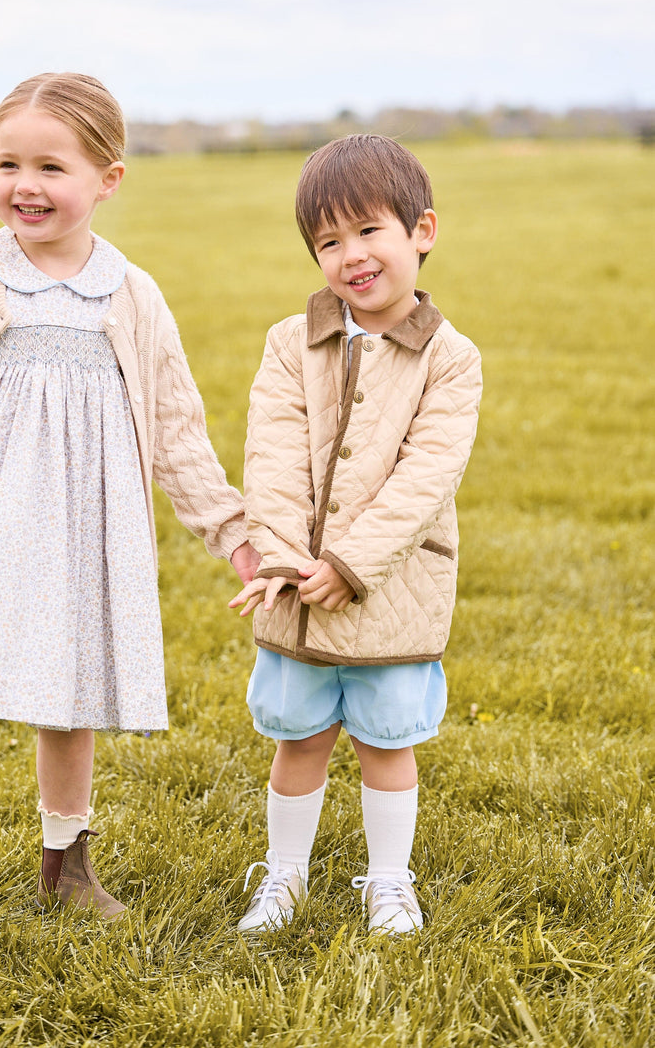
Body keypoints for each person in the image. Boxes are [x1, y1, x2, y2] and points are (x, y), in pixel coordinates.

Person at [0, 72, 259, 966]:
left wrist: (232, 531)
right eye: (7, 163)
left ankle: (66, 861)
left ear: (108, 179)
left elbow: (178, 427)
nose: (24, 184)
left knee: (71, 699)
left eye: (50, 165)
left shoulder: (132, 293)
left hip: (87, 527)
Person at [230, 134, 481, 936]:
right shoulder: (288, 342)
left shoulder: (452, 358)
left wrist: (352, 562)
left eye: (369, 230)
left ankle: (388, 881)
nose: (351, 255)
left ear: (422, 231)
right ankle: (285, 880)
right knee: (298, 737)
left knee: (386, 740)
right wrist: (284, 554)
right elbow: (269, 452)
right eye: (328, 241)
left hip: (393, 592)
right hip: (296, 589)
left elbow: (426, 474)